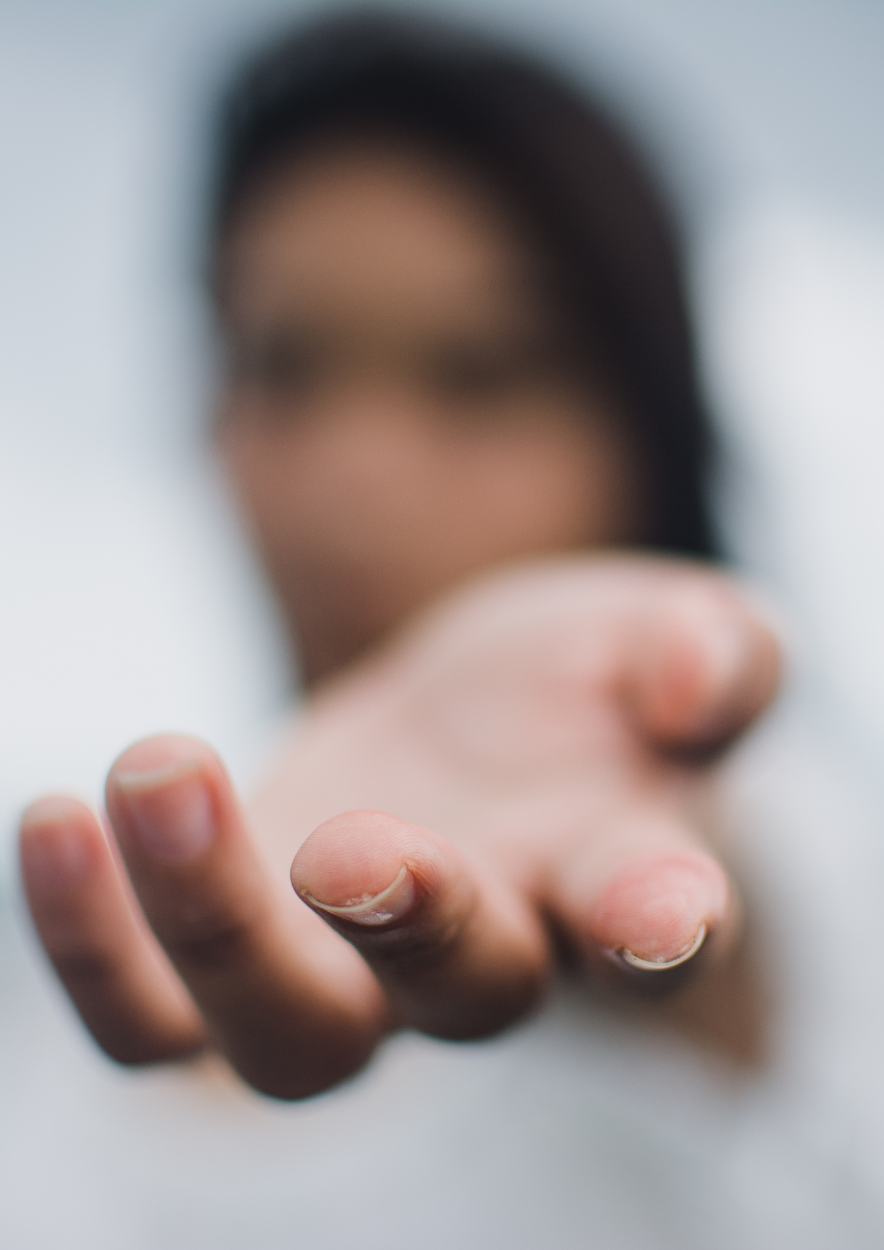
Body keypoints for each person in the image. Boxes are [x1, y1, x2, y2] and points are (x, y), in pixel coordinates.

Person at [18, 10, 779, 1101]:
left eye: (479, 372)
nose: (352, 478)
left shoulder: (818, 884)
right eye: (282, 362)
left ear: (644, 430)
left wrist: (719, 924)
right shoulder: (39, 1024)